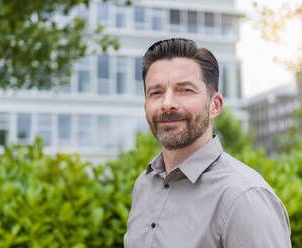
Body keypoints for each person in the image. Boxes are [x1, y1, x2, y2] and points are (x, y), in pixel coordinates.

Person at [124, 38, 291, 248]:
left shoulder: (244, 198)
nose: (167, 104)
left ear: (215, 105)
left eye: (185, 90)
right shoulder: (144, 185)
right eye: (156, 92)